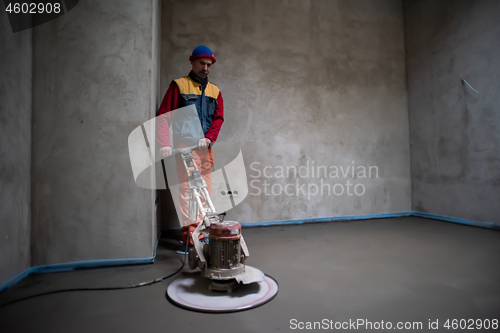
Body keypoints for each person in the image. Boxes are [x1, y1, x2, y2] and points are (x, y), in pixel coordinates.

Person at [156, 45, 224, 244]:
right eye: (202, 63)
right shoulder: (179, 86)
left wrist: (209, 137)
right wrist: (164, 143)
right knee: (187, 192)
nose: (205, 68)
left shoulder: (215, 91)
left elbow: (218, 119)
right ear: (192, 61)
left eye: (209, 64)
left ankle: (203, 234)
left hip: (205, 149)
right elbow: (163, 116)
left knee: (205, 193)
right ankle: (191, 239)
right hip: (185, 149)